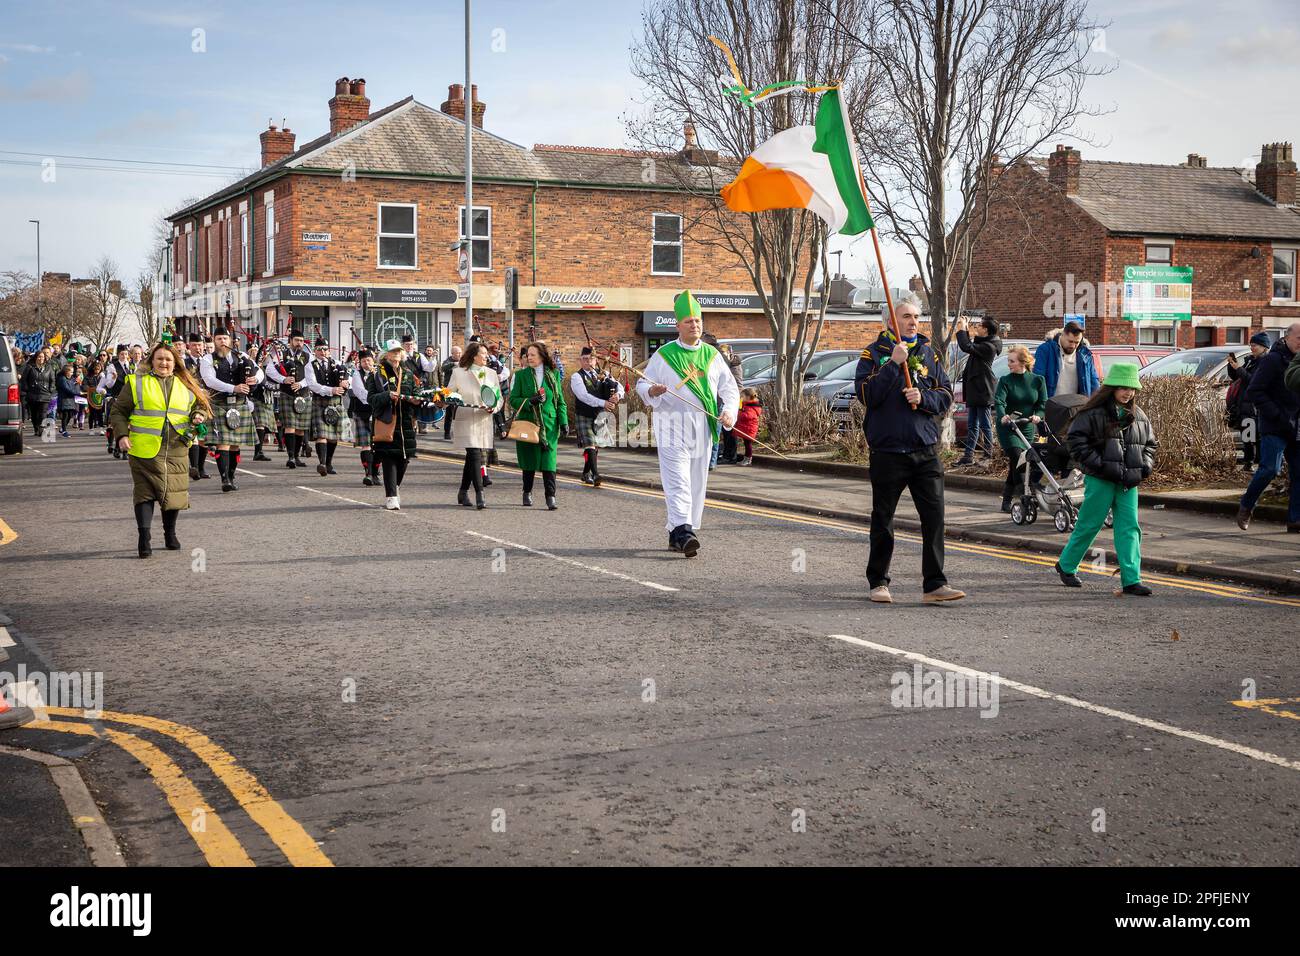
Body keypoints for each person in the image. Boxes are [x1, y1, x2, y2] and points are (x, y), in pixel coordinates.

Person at [853, 294, 964, 603]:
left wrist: (923, 399)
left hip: (925, 450)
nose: (914, 322)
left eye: (916, 317)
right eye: (906, 317)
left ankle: (934, 584)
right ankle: (878, 582)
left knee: (934, 518)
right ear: (890, 322)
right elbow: (867, 395)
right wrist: (893, 364)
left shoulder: (930, 355)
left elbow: (945, 394)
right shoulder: (871, 354)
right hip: (888, 452)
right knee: (884, 519)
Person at [635, 291, 739, 556]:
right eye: (689, 321)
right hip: (671, 426)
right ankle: (683, 531)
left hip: (701, 428)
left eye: (698, 321)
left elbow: (730, 389)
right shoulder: (664, 355)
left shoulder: (713, 356)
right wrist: (653, 391)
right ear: (677, 325)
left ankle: (676, 532)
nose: (695, 325)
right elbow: (641, 384)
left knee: (695, 481)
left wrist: (728, 413)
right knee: (678, 480)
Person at [1053, 364, 1157, 595]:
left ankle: (1131, 580)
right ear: (1111, 388)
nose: (1127, 392)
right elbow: (1076, 441)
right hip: (1101, 479)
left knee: (1130, 529)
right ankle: (1067, 565)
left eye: (1131, 388)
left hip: (1128, 482)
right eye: (1122, 387)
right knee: (1090, 525)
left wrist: (1144, 468)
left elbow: (1150, 445)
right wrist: (1100, 465)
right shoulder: (1093, 413)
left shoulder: (1139, 416)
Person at [110, 343, 212, 558]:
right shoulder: (136, 382)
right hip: (143, 448)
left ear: (175, 363)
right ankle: (144, 537)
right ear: (151, 361)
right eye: (160, 359)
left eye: (168, 359)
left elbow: (201, 405)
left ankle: (170, 534)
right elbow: (118, 411)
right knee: (144, 493)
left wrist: (199, 415)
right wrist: (122, 435)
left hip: (177, 447)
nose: (164, 363)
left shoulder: (186, 384)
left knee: (172, 492)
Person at [1237, 322, 1300, 533]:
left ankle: (1295, 520)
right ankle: (1247, 505)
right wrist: (1276, 414)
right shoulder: (1273, 360)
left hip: (1297, 426)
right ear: (1287, 337)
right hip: (1275, 424)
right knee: (1270, 469)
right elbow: (1255, 391)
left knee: (1299, 472)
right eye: (1299, 338)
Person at [200, 330, 263, 492]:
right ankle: (225, 479)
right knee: (224, 443)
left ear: (230, 340)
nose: (222, 341)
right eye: (219, 338)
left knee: (235, 445)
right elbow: (210, 381)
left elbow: (259, 370)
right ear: (214, 341)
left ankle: (232, 475)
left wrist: (255, 379)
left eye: (225, 338)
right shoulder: (207, 359)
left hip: (240, 404)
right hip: (220, 404)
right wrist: (233, 387)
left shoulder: (241, 355)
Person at [509, 341, 569, 510]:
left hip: (550, 425)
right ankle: (527, 492)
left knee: (549, 462)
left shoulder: (554, 374)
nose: (529, 358)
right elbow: (513, 400)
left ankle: (550, 497)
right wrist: (530, 401)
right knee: (529, 461)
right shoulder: (521, 376)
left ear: (542, 356)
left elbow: (561, 402)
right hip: (528, 423)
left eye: (533, 355)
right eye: (528, 355)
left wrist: (564, 422)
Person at [366, 342, 423, 510]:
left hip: (406, 422)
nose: (397, 353)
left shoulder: (407, 373)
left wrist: (416, 400)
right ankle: (391, 496)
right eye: (393, 351)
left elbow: (416, 393)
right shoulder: (377, 374)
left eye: (399, 350)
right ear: (386, 354)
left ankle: (395, 487)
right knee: (389, 458)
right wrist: (387, 395)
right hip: (386, 421)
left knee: (404, 459)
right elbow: (371, 399)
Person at [447, 342, 503, 510]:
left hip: (483, 420)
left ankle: (463, 492)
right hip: (466, 419)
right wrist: (442, 400)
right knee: (474, 454)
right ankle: (480, 493)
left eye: (486, 353)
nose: (487, 356)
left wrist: (494, 407)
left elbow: (499, 398)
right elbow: (449, 393)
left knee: (472, 458)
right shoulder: (458, 372)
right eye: (483, 353)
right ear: (473, 356)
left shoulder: (492, 374)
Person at [993, 345, 1049, 513]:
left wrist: (1038, 415)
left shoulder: (1038, 380)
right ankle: (1029, 493)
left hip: (1026, 428)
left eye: (1012, 361)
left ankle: (1007, 500)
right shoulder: (1005, 381)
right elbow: (999, 401)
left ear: (1023, 362)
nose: (1009, 364)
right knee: (1018, 457)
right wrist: (1003, 415)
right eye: (1008, 361)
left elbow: (1042, 404)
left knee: (1016, 463)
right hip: (1008, 427)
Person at [570, 346, 624, 486]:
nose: (588, 362)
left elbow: (620, 387)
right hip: (584, 414)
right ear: (580, 361)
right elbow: (583, 396)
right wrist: (604, 403)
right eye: (584, 359)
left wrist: (617, 396)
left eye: (590, 359)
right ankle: (596, 475)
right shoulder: (577, 377)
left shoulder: (604, 373)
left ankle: (585, 473)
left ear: (595, 360)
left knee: (595, 447)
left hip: (600, 415)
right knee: (590, 445)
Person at [953, 315, 1003, 465]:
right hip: (976, 389)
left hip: (983, 389)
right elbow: (970, 345)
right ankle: (968, 456)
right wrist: (966, 328)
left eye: (980, 325)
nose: (977, 327)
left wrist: (962, 328)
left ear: (986, 330)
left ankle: (988, 454)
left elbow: (966, 347)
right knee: (972, 424)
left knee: (984, 424)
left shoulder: (990, 346)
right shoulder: (985, 343)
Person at [264, 330, 313, 469]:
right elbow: (269, 370)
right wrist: (284, 379)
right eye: (297, 340)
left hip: (303, 394)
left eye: (302, 341)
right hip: (287, 394)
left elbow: (312, 374)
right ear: (290, 340)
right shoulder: (281, 354)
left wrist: (301, 383)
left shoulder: (308, 356)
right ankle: (290, 457)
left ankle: (297, 456)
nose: (299, 343)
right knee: (290, 427)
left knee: (301, 429)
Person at [1226, 332, 1271, 472]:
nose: (1252, 348)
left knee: (1256, 436)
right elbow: (1237, 378)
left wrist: (1238, 369)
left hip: (1254, 406)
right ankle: (1248, 463)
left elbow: (1253, 381)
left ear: (1264, 347)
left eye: (1255, 345)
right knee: (1247, 434)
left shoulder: (1265, 363)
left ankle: (1255, 463)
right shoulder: (1250, 360)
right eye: (1251, 345)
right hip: (1244, 404)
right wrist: (1232, 366)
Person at [304, 337, 348, 477]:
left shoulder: (338, 363)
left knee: (333, 437)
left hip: (336, 403)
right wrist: (331, 390)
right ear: (315, 351)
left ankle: (329, 464)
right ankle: (322, 463)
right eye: (319, 349)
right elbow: (312, 385)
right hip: (320, 402)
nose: (323, 352)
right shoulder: (310, 366)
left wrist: (346, 384)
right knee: (322, 435)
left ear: (329, 351)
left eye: (325, 349)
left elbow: (349, 378)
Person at [1033, 321, 1098, 399]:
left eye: (1076, 342)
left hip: (1077, 406)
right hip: (1052, 405)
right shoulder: (1045, 350)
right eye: (1070, 341)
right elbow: (1038, 379)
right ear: (1062, 335)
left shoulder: (1085, 355)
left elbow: (1094, 383)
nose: (1073, 345)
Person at [349, 349, 381, 486]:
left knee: (379, 445)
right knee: (366, 444)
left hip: (379, 413)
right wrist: (376, 399)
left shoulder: (380, 373)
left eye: (368, 360)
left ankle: (375, 473)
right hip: (362, 412)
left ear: (373, 360)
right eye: (363, 361)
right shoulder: (357, 374)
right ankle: (368, 473)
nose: (366, 363)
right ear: (360, 363)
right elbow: (360, 392)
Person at [97, 345, 133, 458]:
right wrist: (114, 378)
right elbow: (108, 385)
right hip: (116, 397)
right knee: (114, 425)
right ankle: (114, 446)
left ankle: (122, 449)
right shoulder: (113, 366)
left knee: (128, 425)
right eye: (122, 354)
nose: (124, 356)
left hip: (129, 399)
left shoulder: (132, 366)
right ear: (118, 355)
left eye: (126, 354)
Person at [246, 343, 275, 462]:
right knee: (260, 425)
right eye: (252, 351)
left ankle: (260, 451)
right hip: (257, 397)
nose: (255, 353)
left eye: (256, 351)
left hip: (267, 398)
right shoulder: (250, 365)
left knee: (266, 425)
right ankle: (258, 451)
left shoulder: (267, 365)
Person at [21, 348, 57, 438]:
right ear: (36, 357)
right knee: (34, 414)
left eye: (43, 357)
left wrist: (50, 389)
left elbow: (52, 380)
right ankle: (36, 428)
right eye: (39, 357)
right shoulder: (30, 367)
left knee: (43, 413)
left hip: (45, 394)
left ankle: (42, 429)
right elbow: (24, 380)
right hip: (33, 394)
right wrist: (27, 389)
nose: (41, 359)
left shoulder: (49, 368)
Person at [732, 387, 762, 465]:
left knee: (748, 444)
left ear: (748, 397)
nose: (741, 398)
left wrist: (739, 412)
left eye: (743, 397)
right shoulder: (748, 405)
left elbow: (746, 416)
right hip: (747, 428)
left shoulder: (752, 407)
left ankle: (748, 459)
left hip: (750, 429)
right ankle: (746, 458)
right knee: (746, 444)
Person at [441, 345, 463, 441]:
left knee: (460, 411)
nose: (459, 354)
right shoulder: (448, 361)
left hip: (460, 389)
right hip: (449, 389)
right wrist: (454, 364)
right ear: (452, 353)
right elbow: (443, 368)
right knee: (449, 412)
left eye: (460, 352)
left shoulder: (463, 361)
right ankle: (447, 433)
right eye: (457, 353)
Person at [56, 364, 80, 438]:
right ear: (66, 372)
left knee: (70, 414)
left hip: (71, 400)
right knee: (65, 415)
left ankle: (63, 428)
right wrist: (76, 392)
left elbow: (76, 387)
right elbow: (67, 389)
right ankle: (64, 431)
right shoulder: (62, 379)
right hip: (64, 399)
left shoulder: (72, 379)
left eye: (73, 372)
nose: (72, 373)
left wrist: (76, 384)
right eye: (71, 372)